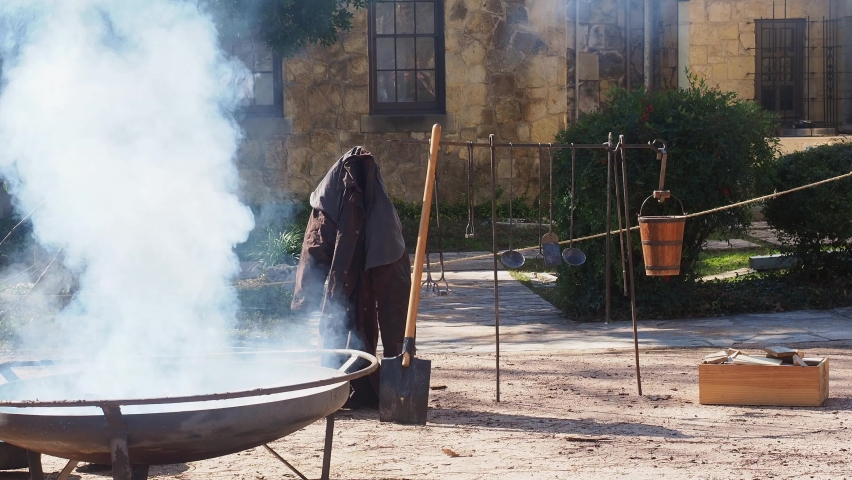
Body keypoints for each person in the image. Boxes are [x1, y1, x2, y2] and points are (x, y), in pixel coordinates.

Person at [291, 146, 411, 408]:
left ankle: (386, 387)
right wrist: (305, 298)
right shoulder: (328, 204)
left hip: (373, 271)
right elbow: (315, 248)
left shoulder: (381, 216)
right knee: (339, 322)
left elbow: (394, 278)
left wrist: (399, 350)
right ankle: (340, 385)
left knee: (374, 327)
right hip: (345, 275)